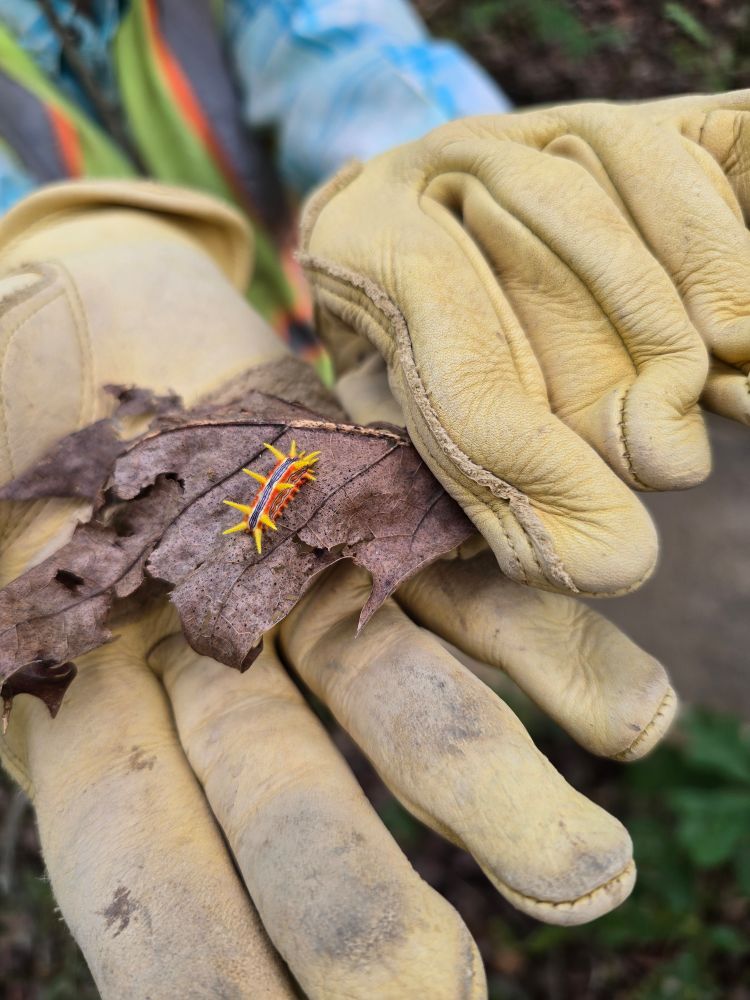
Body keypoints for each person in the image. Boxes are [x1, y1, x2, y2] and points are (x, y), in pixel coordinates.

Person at [0, 2, 748, 996]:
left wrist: (432, 195)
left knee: (463, 603)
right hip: (223, 374)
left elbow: (337, 41)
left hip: (327, 371)